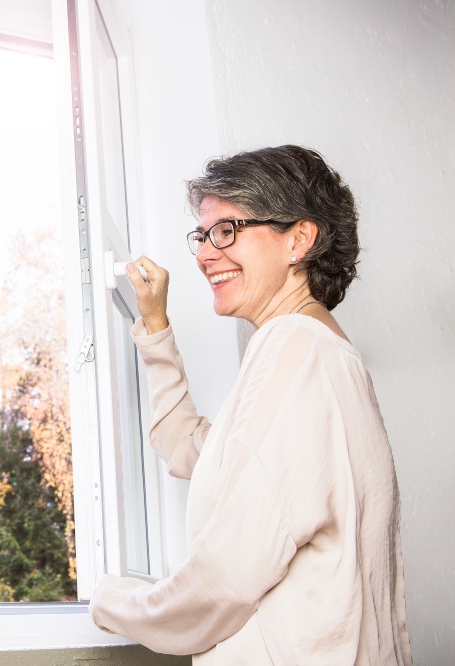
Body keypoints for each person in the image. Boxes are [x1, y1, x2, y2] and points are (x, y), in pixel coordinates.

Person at [89, 145, 412, 664]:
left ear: (298, 240)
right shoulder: (317, 355)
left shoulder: (297, 349)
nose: (204, 254)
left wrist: (113, 601)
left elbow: (226, 574)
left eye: (226, 230)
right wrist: (154, 325)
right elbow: (189, 449)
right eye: (202, 236)